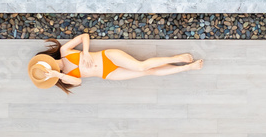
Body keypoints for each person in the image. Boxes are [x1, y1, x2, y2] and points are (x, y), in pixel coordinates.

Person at [27, 33, 203, 93]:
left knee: (141, 65)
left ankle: (176, 58)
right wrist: (57, 75)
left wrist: (86, 52)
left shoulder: (65, 52)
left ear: (47, 61)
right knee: (146, 72)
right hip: (108, 74)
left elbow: (84, 36)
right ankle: (188, 67)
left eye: (49, 69)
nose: (52, 71)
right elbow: (78, 82)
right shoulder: (64, 77)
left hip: (108, 57)